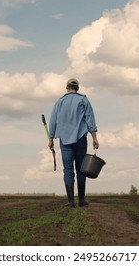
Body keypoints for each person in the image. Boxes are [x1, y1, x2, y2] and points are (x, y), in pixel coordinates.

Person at [48, 78, 99, 207]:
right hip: (81, 138)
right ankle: (81, 200)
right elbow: (90, 119)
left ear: (67, 87)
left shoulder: (59, 102)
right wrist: (94, 138)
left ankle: (71, 202)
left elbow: (53, 121)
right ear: (78, 88)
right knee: (82, 169)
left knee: (68, 170)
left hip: (65, 141)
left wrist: (50, 139)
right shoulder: (83, 100)